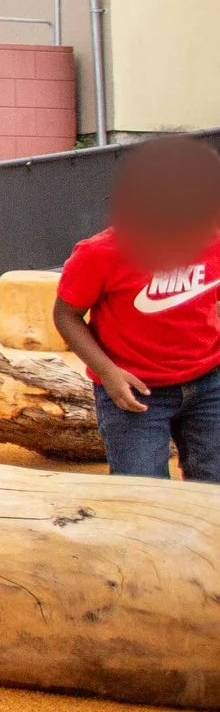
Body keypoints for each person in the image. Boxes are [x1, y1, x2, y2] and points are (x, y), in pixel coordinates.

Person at [52, 138, 220, 481]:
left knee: (212, 487)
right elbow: (66, 315)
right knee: (141, 490)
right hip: (134, 389)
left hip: (209, 383)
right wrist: (108, 373)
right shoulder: (101, 253)